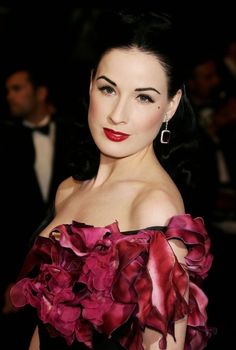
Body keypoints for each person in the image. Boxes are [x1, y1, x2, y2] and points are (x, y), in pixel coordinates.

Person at [10, 10, 214, 350]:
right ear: (91, 83)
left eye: (143, 97)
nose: (118, 115)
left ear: (171, 105)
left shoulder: (155, 208)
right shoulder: (69, 189)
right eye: (108, 89)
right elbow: (44, 327)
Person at [0, 65, 79, 349]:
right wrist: (13, 278)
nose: (10, 96)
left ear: (41, 92)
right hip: (20, 266)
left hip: (71, 267)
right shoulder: (5, 141)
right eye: (8, 91)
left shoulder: (78, 133)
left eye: (17, 89)